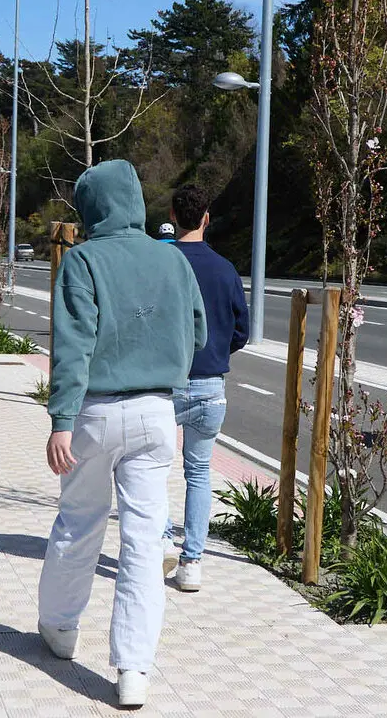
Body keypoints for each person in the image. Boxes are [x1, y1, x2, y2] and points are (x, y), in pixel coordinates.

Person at [38, 160, 206, 708]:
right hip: (158, 412)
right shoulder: (173, 260)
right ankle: (133, 669)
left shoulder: (83, 260)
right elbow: (198, 332)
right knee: (144, 540)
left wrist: (60, 419)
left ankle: (61, 629)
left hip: (94, 412)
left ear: (91, 208)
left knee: (79, 521)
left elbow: (73, 346)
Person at [159, 184, 249, 592]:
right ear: (206, 218)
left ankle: (161, 540)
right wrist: (215, 350)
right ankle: (192, 562)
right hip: (211, 384)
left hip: (164, 382)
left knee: (152, 467)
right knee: (198, 472)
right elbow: (241, 330)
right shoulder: (226, 269)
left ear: (174, 216)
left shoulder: (160, 262)